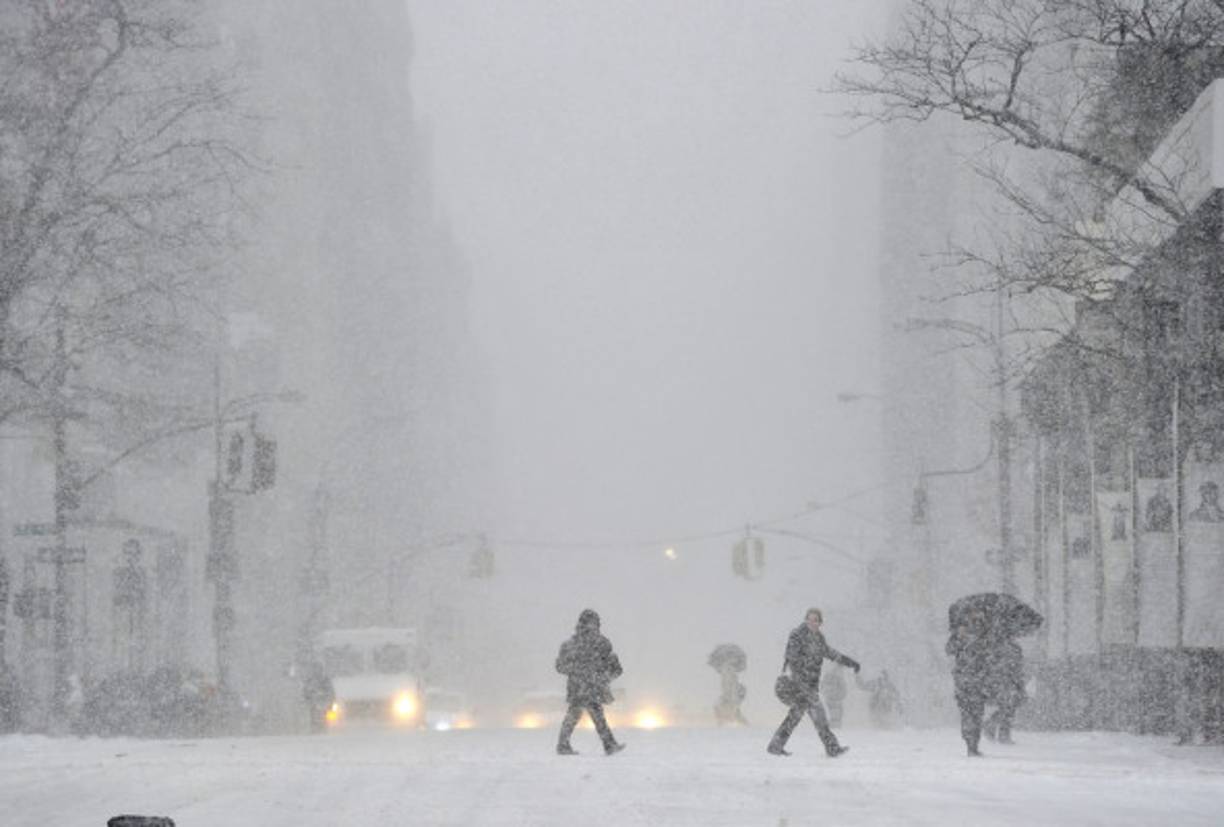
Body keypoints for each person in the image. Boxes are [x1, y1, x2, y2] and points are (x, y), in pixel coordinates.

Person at [767, 608, 860, 758]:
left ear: (820, 623)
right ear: (805, 620)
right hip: (797, 685)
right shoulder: (797, 635)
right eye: (809, 619)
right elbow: (792, 658)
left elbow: (831, 653)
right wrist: (801, 680)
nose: (812, 622)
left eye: (815, 620)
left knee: (796, 716)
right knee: (818, 715)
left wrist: (851, 662)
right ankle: (832, 748)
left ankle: (775, 746)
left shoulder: (819, 639)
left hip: (809, 686)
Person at [555, 609, 625, 756]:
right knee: (593, 716)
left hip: (585, 687)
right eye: (590, 623)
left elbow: (615, 667)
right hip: (586, 687)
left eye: (594, 623)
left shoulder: (598, 643)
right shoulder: (575, 644)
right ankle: (609, 745)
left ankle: (564, 745)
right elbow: (560, 666)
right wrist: (587, 673)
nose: (592, 626)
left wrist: (602, 676)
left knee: (578, 716)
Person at [947, 613, 991, 756]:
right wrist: (958, 636)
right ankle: (970, 745)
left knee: (976, 715)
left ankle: (973, 745)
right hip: (965, 685)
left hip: (977, 684)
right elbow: (949, 650)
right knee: (968, 715)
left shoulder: (982, 640)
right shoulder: (958, 640)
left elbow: (987, 659)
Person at [983, 640, 1026, 744]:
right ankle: (1000, 732)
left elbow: (1017, 669)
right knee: (1007, 708)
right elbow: (1015, 669)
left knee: (1008, 708)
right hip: (1005, 683)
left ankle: (994, 729)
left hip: (1008, 683)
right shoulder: (1004, 649)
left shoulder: (1010, 648)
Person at [301, 661, 335, 734]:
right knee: (312, 715)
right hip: (314, 704)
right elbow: (305, 692)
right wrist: (307, 699)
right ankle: (314, 728)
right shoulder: (309, 680)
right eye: (315, 669)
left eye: (319, 669)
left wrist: (329, 702)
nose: (317, 671)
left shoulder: (325, 680)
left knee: (325, 716)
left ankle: (323, 728)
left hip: (323, 703)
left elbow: (331, 692)